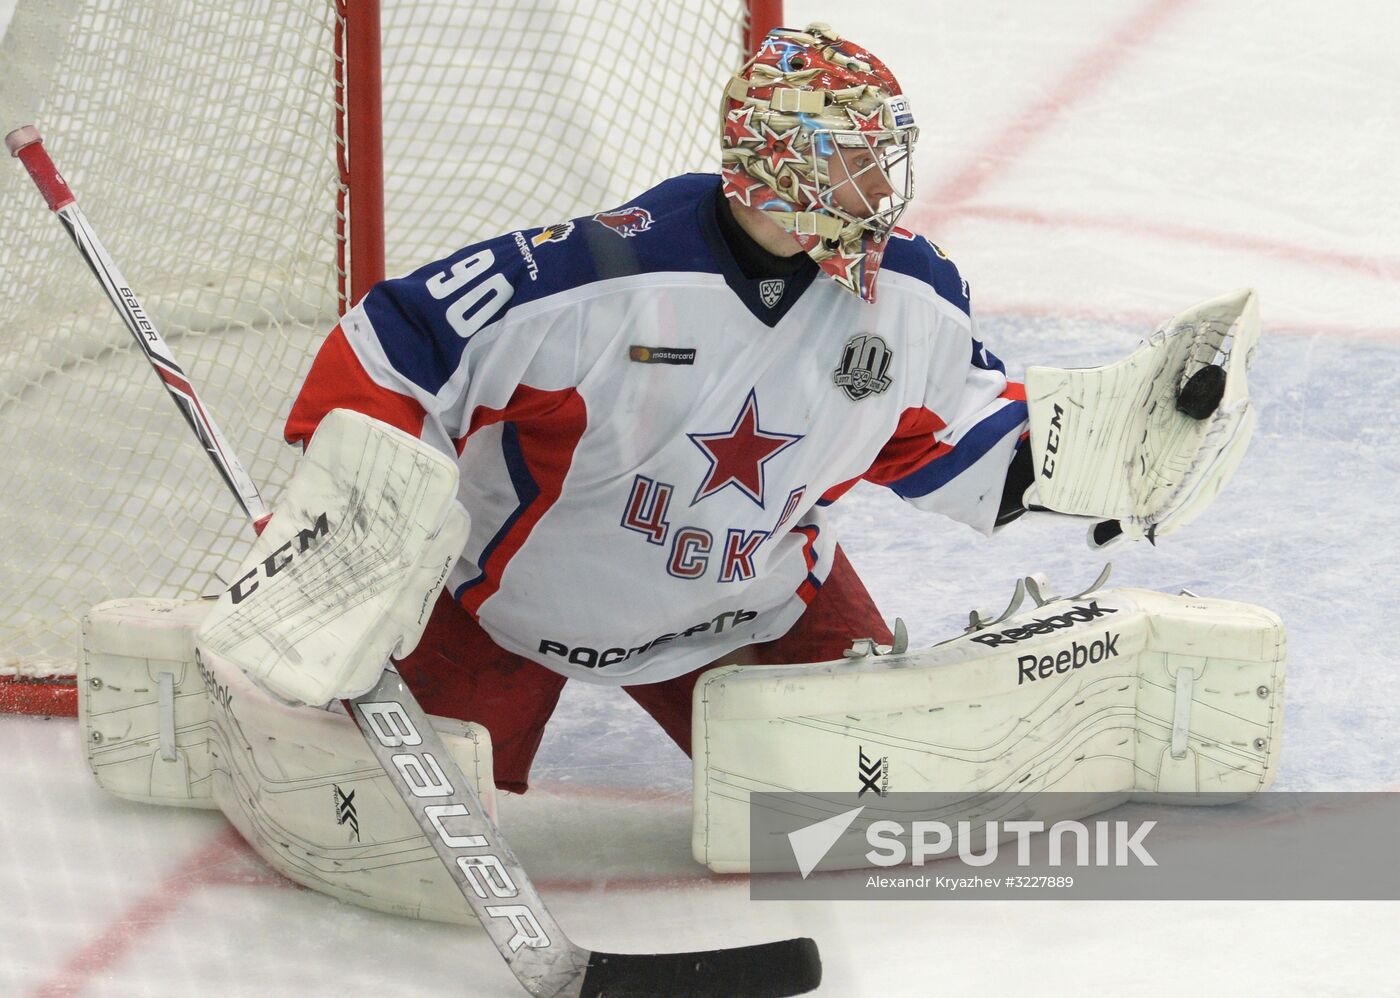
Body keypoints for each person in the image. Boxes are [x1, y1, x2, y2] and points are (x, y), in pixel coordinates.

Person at [278, 23, 1135, 795]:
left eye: (882, 154)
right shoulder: (603, 274)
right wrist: (356, 535)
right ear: (774, 161)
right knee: (376, 804)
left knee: (871, 805)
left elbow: (951, 439)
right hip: (511, 611)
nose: (877, 183)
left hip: (754, 608)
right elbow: (391, 348)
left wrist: (1112, 454)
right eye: (849, 157)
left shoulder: (913, 293)